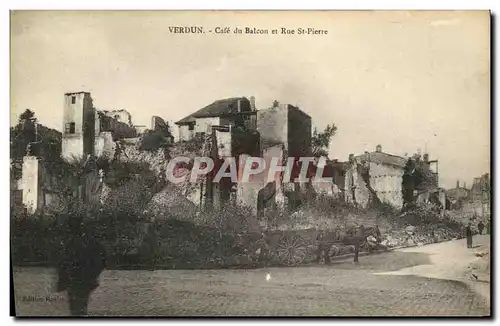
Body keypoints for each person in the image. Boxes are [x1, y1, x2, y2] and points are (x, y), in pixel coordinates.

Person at [56, 214, 106, 316]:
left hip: (77, 280)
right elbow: (103, 258)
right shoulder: (88, 240)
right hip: (81, 280)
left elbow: (64, 262)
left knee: (77, 309)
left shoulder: (71, 242)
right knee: (79, 308)